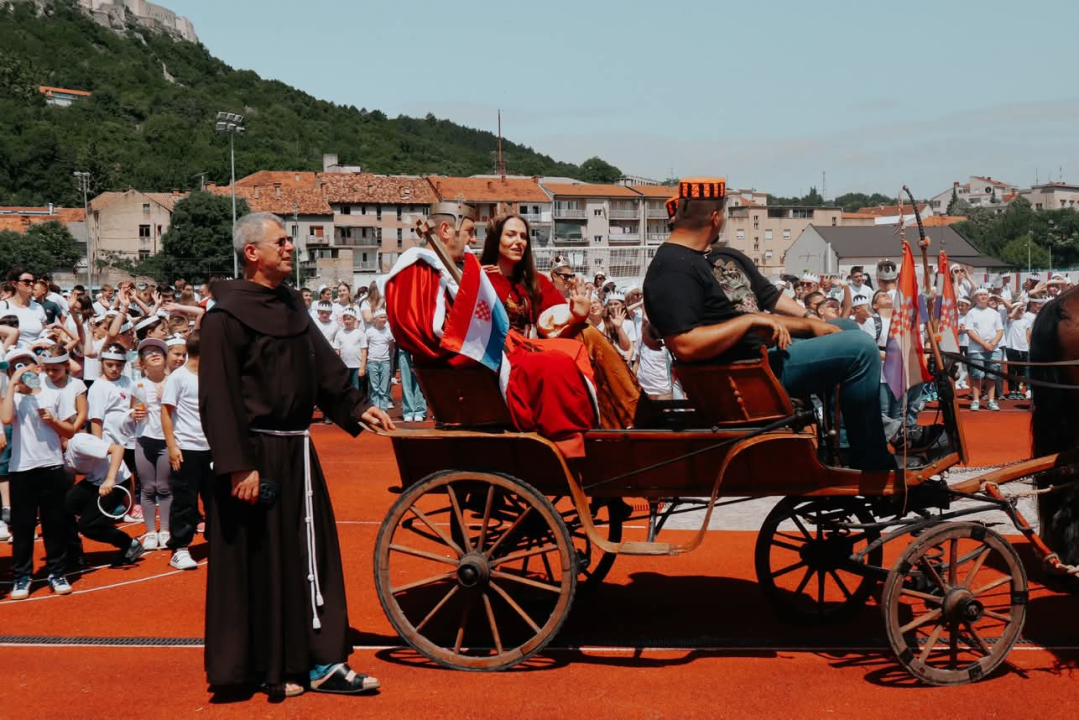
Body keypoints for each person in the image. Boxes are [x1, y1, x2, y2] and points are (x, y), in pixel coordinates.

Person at [199, 212, 392, 698]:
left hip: (298, 451)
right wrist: (238, 464)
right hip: (254, 455)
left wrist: (356, 405)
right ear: (252, 253)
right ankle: (264, 666)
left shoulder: (290, 306)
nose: (290, 247)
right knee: (260, 563)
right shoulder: (224, 316)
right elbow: (217, 397)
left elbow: (323, 368)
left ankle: (322, 661)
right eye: (281, 241)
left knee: (310, 554)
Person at [643, 177, 895, 472]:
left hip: (753, 363)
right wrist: (752, 320)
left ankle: (848, 443)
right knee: (862, 347)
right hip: (743, 376)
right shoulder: (674, 266)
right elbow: (685, 343)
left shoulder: (690, 260)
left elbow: (693, 315)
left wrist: (807, 321)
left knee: (848, 329)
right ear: (716, 217)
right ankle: (871, 460)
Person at [384, 203, 598, 457]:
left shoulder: (448, 270)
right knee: (556, 364)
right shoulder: (417, 268)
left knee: (573, 349)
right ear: (444, 230)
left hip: (493, 355)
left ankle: (591, 431)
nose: (474, 239)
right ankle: (566, 446)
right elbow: (425, 332)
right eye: (469, 231)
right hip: (471, 367)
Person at [479, 212, 642, 428]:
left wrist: (576, 314)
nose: (518, 241)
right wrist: (474, 280)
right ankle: (629, 413)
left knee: (587, 331)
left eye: (523, 236)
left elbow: (553, 318)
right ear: (495, 239)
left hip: (533, 348)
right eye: (510, 235)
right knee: (571, 349)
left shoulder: (534, 281)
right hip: (504, 357)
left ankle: (632, 410)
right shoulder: (481, 278)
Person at [1, 348, 77, 599]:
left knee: (54, 524)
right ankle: (22, 577)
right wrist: (12, 384)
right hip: (21, 469)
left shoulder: (53, 393)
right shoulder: (11, 397)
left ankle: (57, 572)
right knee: (22, 527)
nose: (21, 369)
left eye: (25, 364)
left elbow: (70, 431)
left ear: (37, 367)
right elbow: (7, 418)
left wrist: (52, 421)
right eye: (15, 366)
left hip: (51, 465)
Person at [160, 331, 209, 571]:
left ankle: (217, 541)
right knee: (185, 501)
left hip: (211, 449)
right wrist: (172, 446)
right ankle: (179, 548)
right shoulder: (178, 378)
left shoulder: (213, 376)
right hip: (186, 449)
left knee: (215, 498)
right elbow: (166, 412)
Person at [133, 338, 171, 550]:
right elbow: (130, 414)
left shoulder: (174, 381)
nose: (154, 354)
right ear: (141, 362)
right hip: (144, 440)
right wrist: (134, 414)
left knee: (164, 487)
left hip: (167, 442)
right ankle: (150, 532)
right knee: (148, 488)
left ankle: (164, 530)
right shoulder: (138, 385)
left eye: (158, 350)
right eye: (148, 352)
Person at [965, 287, 1003, 412]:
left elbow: (1000, 330)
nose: (983, 297)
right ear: (976, 298)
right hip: (976, 350)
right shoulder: (971, 313)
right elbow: (970, 331)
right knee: (976, 375)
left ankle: (991, 400)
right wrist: (984, 344)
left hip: (994, 349)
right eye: (980, 295)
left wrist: (992, 344)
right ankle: (976, 400)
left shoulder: (995, 313)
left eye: (985, 295)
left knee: (992, 376)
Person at [2, 270, 48, 348]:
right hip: (12, 354)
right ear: (14, 284)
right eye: (26, 281)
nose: (31, 284)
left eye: (34, 281)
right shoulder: (3, 306)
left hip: (37, 353)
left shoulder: (38, 307)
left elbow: (44, 331)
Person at [364, 310, 394, 412]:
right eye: (381, 317)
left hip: (385, 362)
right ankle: (376, 408)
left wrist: (385, 356)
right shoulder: (369, 332)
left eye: (385, 317)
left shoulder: (388, 331)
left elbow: (390, 346)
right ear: (375, 319)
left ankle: (384, 409)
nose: (383, 320)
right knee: (374, 387)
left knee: (384, 387)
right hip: (372, 362)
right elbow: (366, 346)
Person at [333, 308, 367, 394]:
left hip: (357, 366)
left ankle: (357, 406)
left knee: (356, 387)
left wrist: (362, 367)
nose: (347, 321)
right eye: (345, 319)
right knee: (345, 387)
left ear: (355, 319)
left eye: (349, 319)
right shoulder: (339, 333)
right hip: (345, 366)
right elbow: (337, 351)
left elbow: (364, 351)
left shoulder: (360, 334)